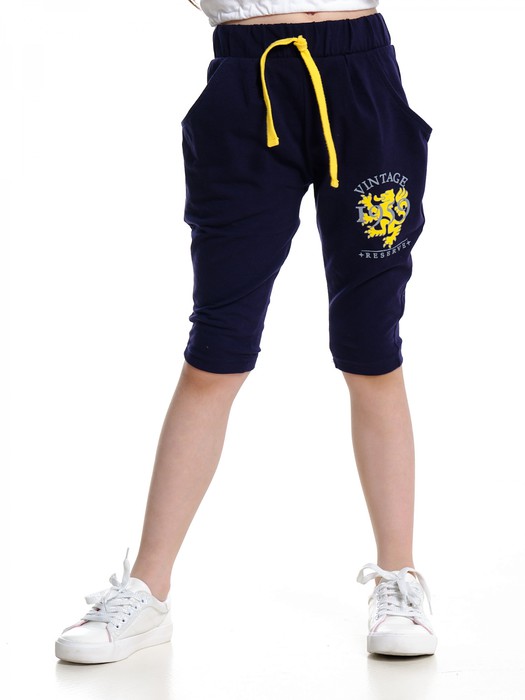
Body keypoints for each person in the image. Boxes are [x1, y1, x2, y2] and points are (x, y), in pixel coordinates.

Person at [55, 0, 437, 663]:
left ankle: (399, 580)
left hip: (361, 79)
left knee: (372, 349)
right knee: (216, 349)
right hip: (244, 84)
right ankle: (146, 590)